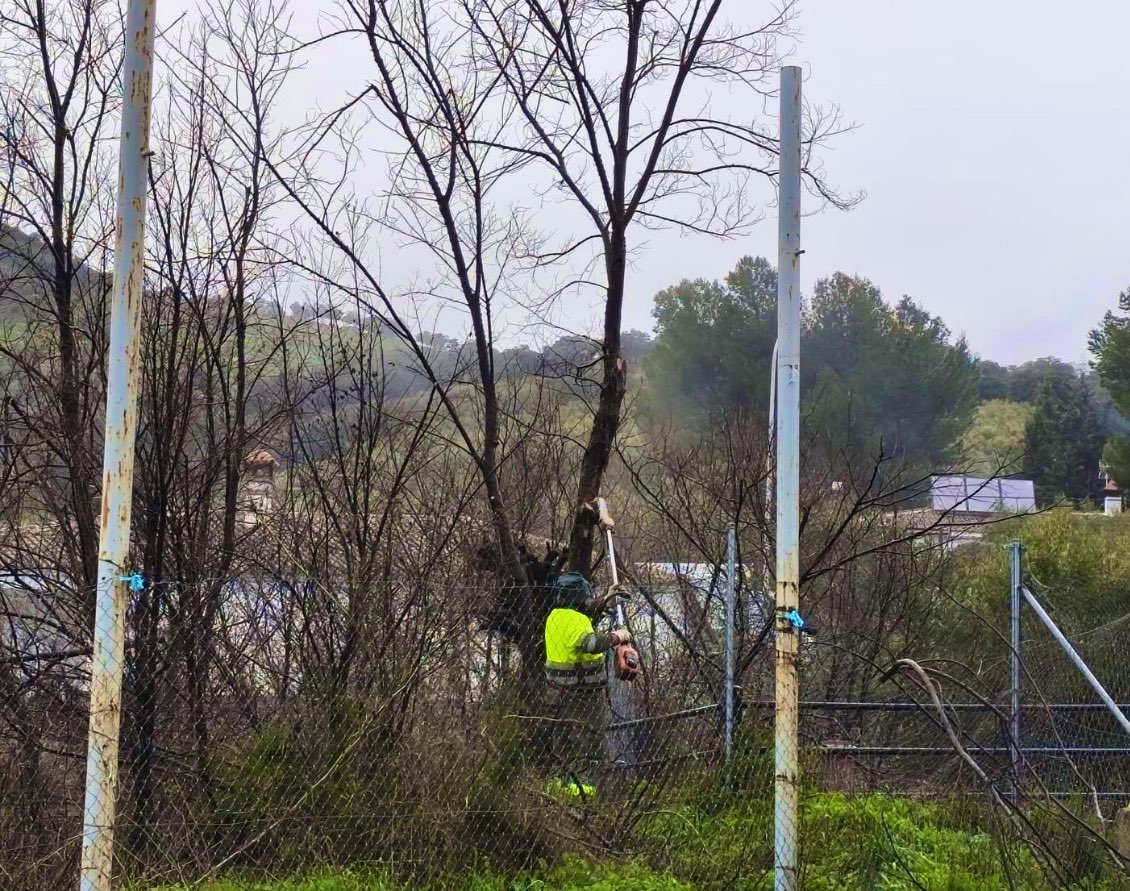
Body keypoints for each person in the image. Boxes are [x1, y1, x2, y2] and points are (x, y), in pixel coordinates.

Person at [543, 571, 630, 797]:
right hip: (583, 692)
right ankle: (586, 792)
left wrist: (606, 598)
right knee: (590, 741)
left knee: (563, 742)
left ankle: (560, 787)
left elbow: (584, 614)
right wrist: (617, 637)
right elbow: (590, 643)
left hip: (559, 690)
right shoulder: (576, 620)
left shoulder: (555, 615)